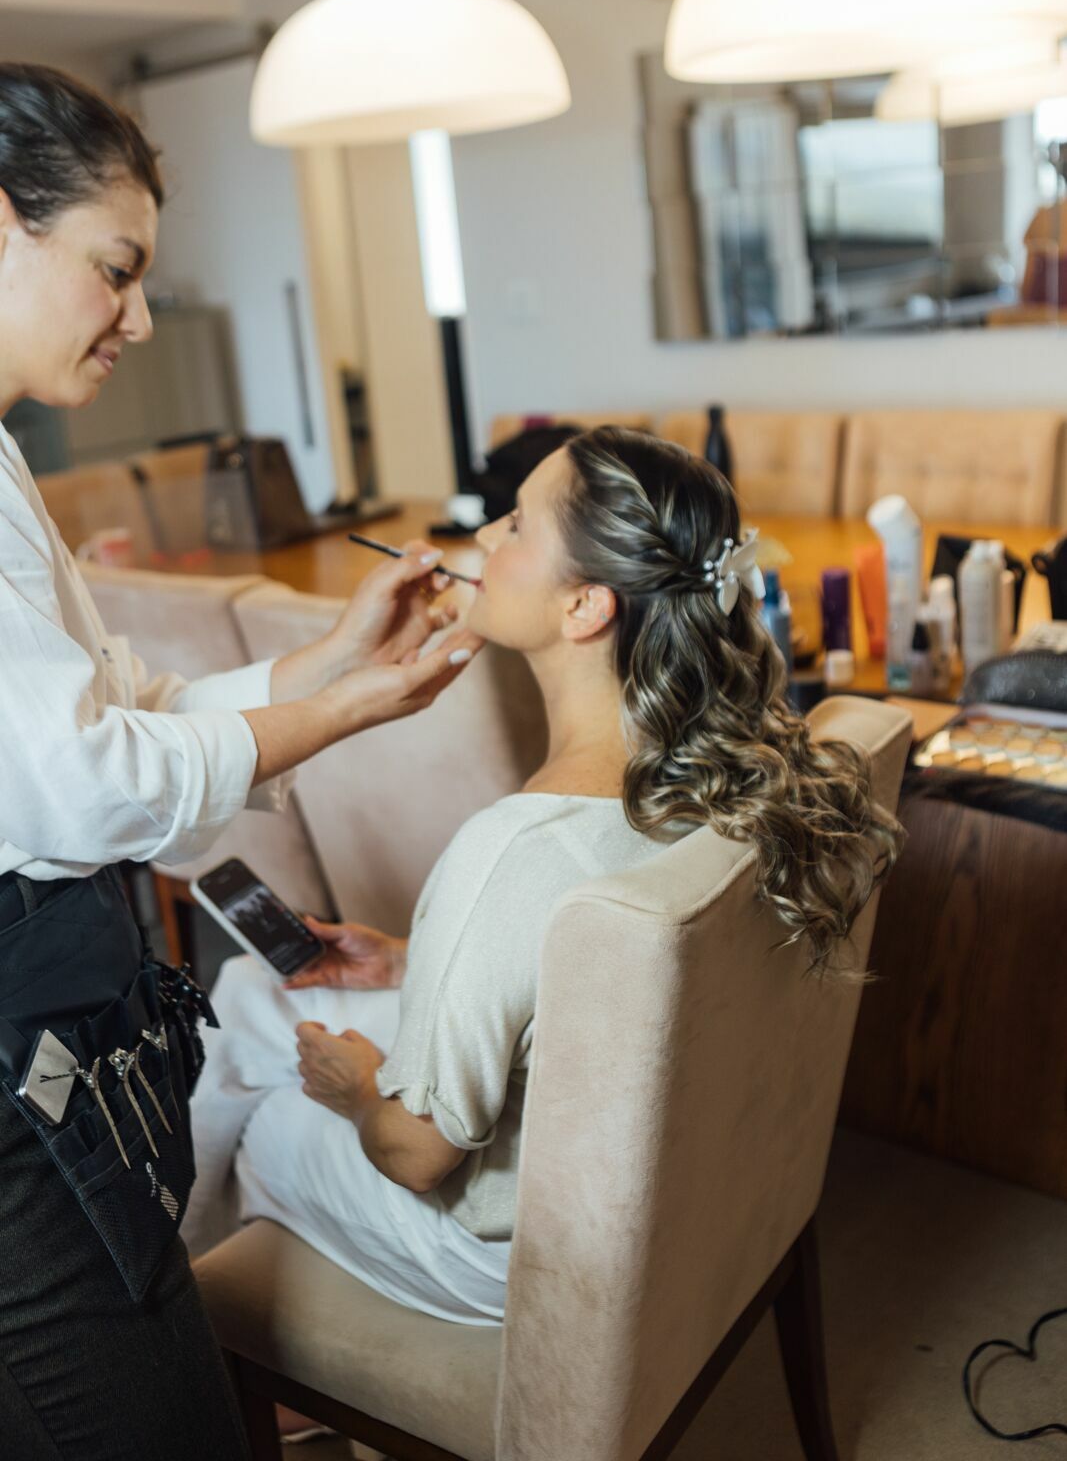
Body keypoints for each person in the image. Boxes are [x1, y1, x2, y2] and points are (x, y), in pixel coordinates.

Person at [0, 62, 482, 1461]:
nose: (140, 317)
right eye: (116, 268)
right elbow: (82, 783)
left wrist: (331, 661)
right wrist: (345, 715)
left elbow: (127, 703)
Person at [185, 424, 902, 1330]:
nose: (483, 539)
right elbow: (605, 962)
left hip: (512, 1249)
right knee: (251, 986)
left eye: (516, 525)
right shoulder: (722, 767)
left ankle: (214, 1338)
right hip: (669, 1178)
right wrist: (415, 959)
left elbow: (416, 1156)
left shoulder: (516, 852)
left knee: (254, 1107)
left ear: (584, 608)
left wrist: (358, 1091)